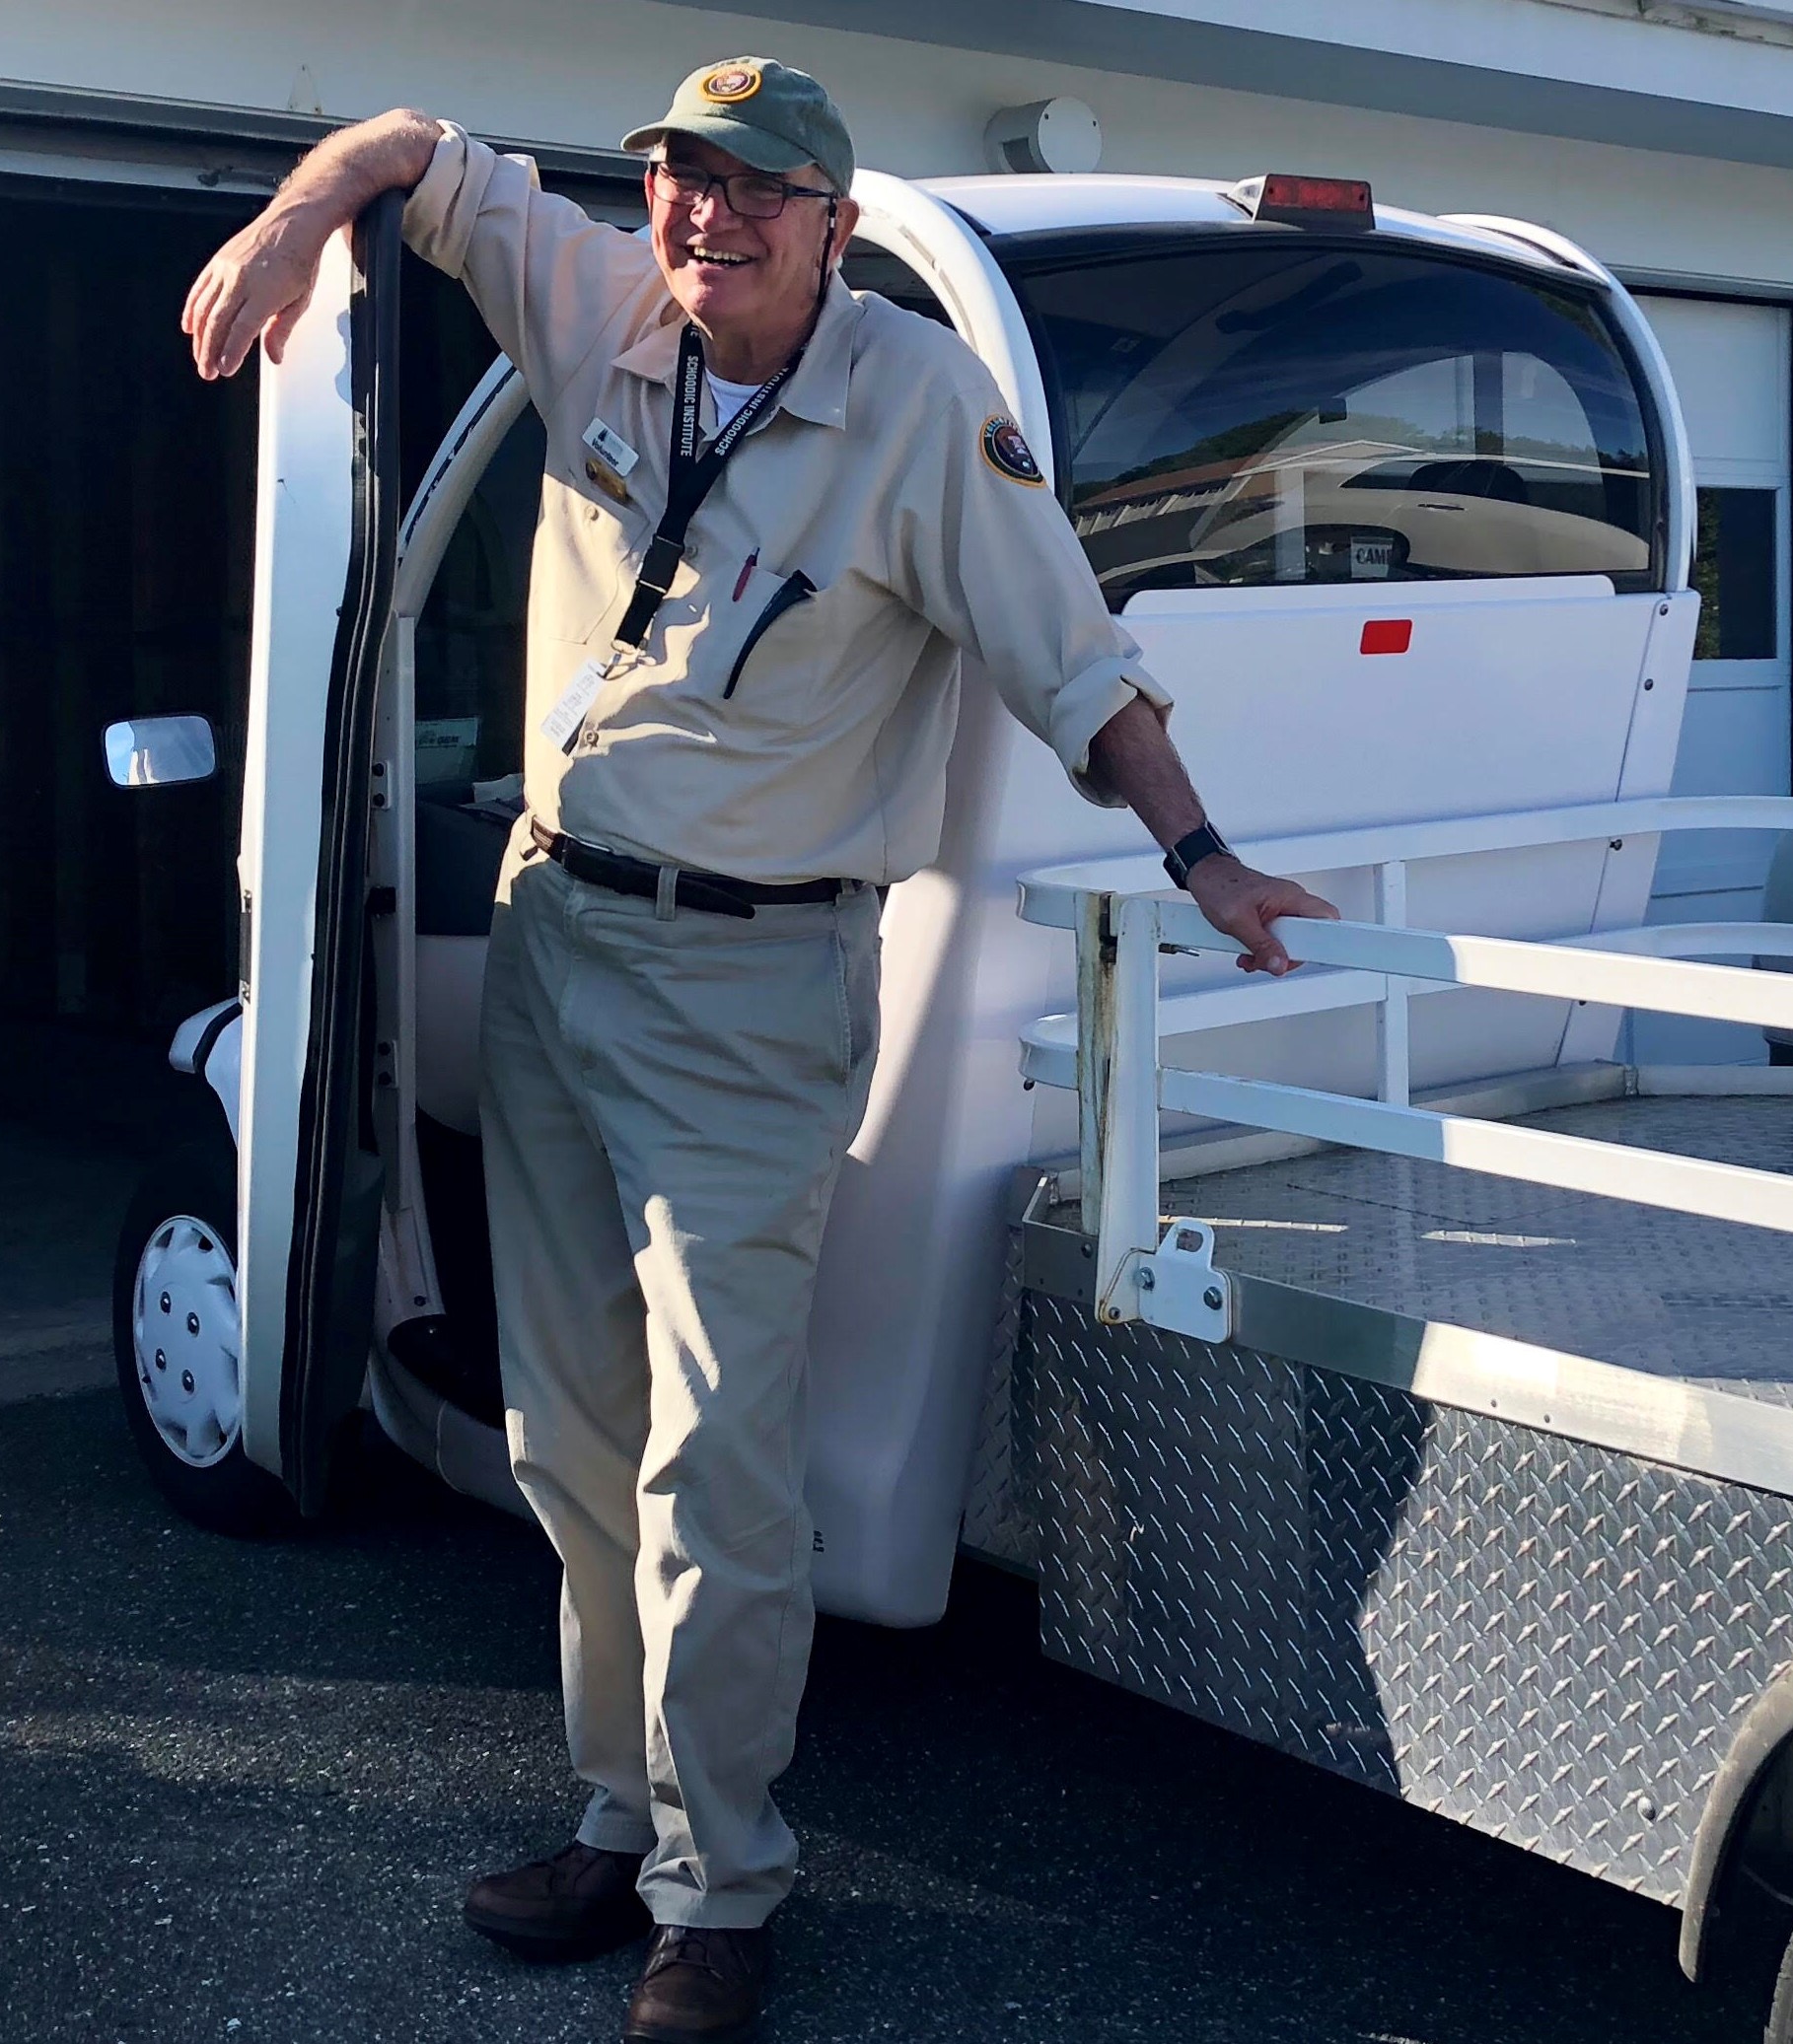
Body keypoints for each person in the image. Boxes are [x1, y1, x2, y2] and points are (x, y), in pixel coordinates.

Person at [183, 56, 1337, 2044]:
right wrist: (300, 218)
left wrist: (1207, 853)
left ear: (826, 212)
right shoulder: (597, 306)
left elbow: (1073, 661)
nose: (697, 218)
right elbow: (413, 150)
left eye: (745, 190)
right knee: (568, 1436)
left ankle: (719, 1887)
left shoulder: (917, 410)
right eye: (671, 182)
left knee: (719, 1454)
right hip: (554, 940)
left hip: (752, 992)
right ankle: (614, 1812)